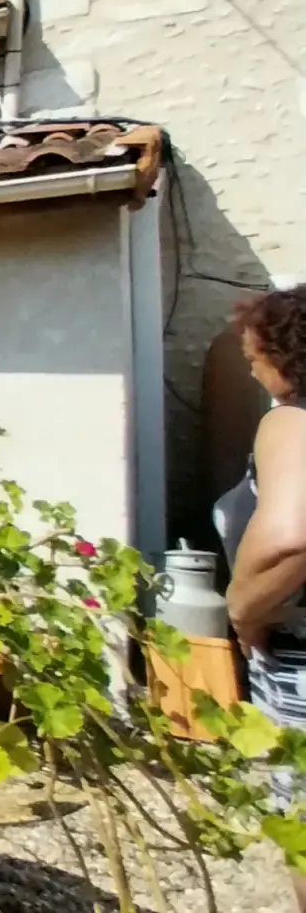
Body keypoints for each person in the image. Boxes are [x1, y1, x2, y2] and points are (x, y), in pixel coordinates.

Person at [219, 285, 306, 910]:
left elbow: (291, 540)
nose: (249, 364)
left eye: (254, 352)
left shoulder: (292, 421)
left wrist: (244, 611)